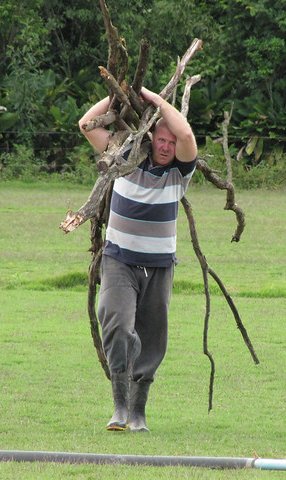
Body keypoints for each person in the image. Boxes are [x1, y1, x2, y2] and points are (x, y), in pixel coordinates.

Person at [78, 87, 197, 432]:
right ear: (150, 137)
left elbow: (186, 132)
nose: (166, 146)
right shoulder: (125, 157)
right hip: (119, 262)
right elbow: (86, 124)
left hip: (159, 268)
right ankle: (119, 406)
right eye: (161, 139)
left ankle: (138, 410)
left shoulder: (179, 174)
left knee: (152, 335)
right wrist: (118, 97)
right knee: (114, 320)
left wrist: (158, 101)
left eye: (171, 143)